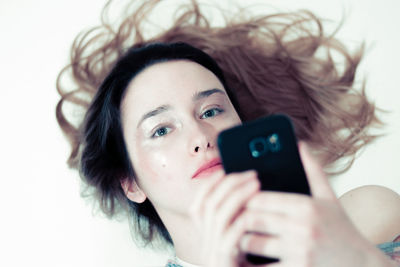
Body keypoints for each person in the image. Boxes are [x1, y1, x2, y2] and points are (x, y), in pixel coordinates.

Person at [56, 0, 400, 266]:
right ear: (130, 183)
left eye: (211, 111)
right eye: (161, 130)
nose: (201, 136)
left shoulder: (365, 218)